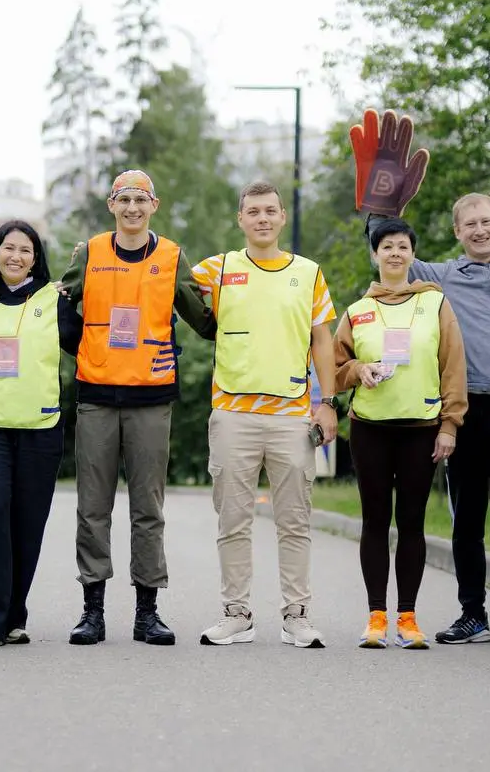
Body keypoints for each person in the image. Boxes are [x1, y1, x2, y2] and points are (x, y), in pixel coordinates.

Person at [370, 194, 490, 648]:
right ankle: (473, 614)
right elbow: (389, 252)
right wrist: (378, 205)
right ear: (457, 232)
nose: (479, 230)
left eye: (486, 222)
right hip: (464, 413)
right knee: (466, 522)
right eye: (469, 224)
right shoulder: (442, 277)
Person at [57, 169, 217, 647]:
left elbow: (203, 320)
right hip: (97, 396)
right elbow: (63, 307)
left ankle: (147, 613)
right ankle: (93, 611)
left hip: (151, 397)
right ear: (111, 205)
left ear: (154, 204)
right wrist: (87, 350)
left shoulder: (170, 256)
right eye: (123, 199)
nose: (132, 207)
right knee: (93, 507)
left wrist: (240, 305)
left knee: (148, 508)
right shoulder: (89, 253)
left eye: (140, 199)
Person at [194, 180, 340, 649]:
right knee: (232, 520)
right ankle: (236, 613)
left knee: (294, 520)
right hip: (233, 413)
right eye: (252, 211)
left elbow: (322, 341)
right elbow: (161, 282)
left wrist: (329, 402)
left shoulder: (309, 273)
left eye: (270, 211)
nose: (262, 218)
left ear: (281, 218)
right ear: (240, 219)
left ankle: (296, 614)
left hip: (291, 414)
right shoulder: (217, 269)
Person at [335, 217, 468, 649]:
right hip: (370, 430)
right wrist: (359, 369)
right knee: (375, 521)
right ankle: (376, 618)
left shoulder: (435, 304)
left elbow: (453, 367)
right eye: (386, 246)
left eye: (402, 247)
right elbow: (333, 371)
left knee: (411, 523)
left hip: (422, 430)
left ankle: (408, 619)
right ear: (374, 255)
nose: (395, 253)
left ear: (413, 255)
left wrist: (450, 424)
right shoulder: (357, 311)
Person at [0, 220, 83, 649]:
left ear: (37, 257)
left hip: (41, 426)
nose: (16, 256)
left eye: (26, 250)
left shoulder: (54, 299)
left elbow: (85, 341)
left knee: (28, 523)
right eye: (8, 248)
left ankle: (13, 615)